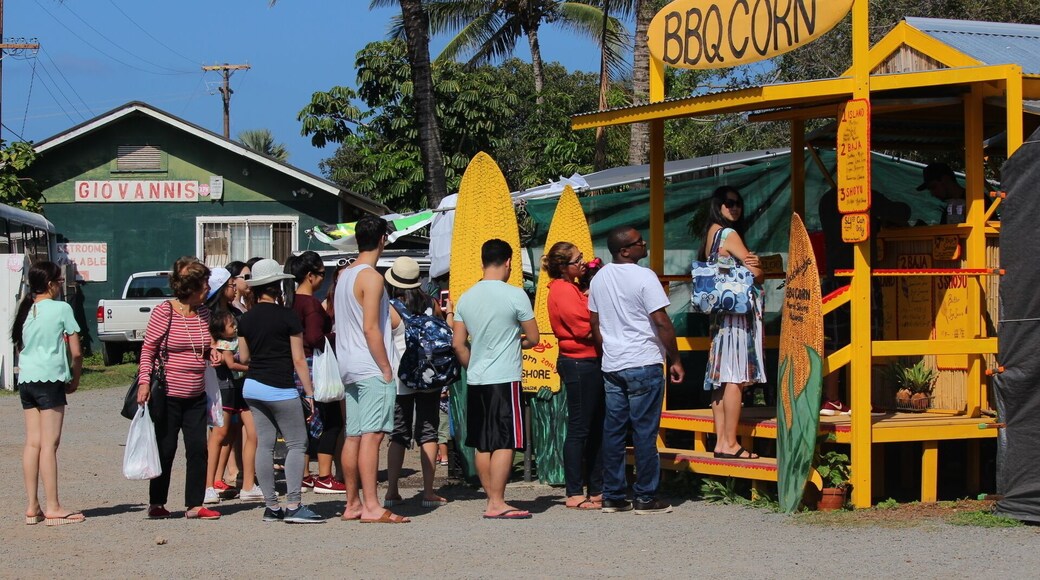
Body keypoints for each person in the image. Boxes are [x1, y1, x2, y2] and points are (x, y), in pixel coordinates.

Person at [589, 226, 684, 515]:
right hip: (643, 360)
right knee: (644, 432)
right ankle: (644, 496)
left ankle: (613, 495)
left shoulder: (599, 278)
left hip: (613, 363)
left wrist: (607, 351)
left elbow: (594, 323)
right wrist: (676, 358)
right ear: (624, 250)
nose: (645, 243)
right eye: (638, 242)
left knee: (614, 430)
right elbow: (661, 321)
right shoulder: (645, 277)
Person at [453, 239, 540, 520]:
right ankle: (498, 502)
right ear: (509, 263)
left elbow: (458, 344)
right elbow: (535, 337)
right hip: (505, 377)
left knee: (483, 441)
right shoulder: (516, 295)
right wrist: (518, 343)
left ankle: (491, 499)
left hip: (477, 378)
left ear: (482, 262)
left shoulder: (466, 296)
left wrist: (474, 363)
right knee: (505, 440)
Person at [335, 215, 409, 523]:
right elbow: (371, 328)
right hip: (370, 363)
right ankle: (372, 505)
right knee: (373, 435)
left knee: (353, 435)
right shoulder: (372, 277)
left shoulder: (345, 276)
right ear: (382, 240)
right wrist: (386, 367)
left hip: (348, 364)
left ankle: (353, 503)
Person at [238, 258, 324, 523]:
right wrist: (309, 394)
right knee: (298, 444)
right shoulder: (287, 316)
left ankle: (271, 506)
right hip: (281, 387)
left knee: (264, 446)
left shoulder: (246, 318)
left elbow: (244, 356)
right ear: (278, 286)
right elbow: (299, 359)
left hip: (253, 386)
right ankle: (294, 505)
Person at [137, 257, 220, 520]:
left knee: (198, 448)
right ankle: (157, 502)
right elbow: (148, 349)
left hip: (196, 394)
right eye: (205, 284)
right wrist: (143, 382)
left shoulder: (205, 313)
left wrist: (213, 352)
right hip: (168, 393)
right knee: (166, 448)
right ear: (192, 287)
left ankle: (195, 505)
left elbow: (207, 344)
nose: (208, 289)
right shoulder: (166, 311)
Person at [818, 187, 910, 415]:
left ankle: (833, 399)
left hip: (834, 276)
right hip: (861, 275)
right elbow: (901, 213)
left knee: (836, 339)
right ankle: (862, 399)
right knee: (866, 337)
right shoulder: (863, 194)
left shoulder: (827, 199)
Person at [13, 261, 85, 526]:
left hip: (27, 378)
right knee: (50, 444)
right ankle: (53, 505)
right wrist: (75, 379)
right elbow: (76, 352)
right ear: (52, 283)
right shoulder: (62, 308)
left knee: (33, 442)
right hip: (51, 378)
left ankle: (33, 505)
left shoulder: (26, 309)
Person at [699, 187, 765, 460]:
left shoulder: (712, 234)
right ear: (719, 205)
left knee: (719, 378)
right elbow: (757, 274)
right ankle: (730, 442)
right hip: (736, 317)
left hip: (719, 315)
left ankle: (720, 441)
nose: (735, 208)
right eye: (729, 203)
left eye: (738, 203)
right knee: (735, 377)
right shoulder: (729, 234)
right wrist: (758, 265)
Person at [542, 242, 604, 510]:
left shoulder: (573, 289)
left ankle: (596, 487)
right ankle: (575, 491)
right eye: (577, 260)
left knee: (595, 426)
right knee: (580, 427)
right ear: (563, 266)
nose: (583, 263)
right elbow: (584, 327)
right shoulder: (563, 291)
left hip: (588, 360)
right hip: (579, 362)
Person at [383, 257, 449, 509]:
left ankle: (391, 491)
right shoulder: (432, 303)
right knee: (428, 432)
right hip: (429, 377)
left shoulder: (390, 308)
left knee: (399, 433)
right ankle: (429, 491)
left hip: (400, 379)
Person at [287, 251, 345, 495]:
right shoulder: (310, 303)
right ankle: (324, 475)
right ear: (310, 276)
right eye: (322, 274)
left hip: (294, 367)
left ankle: (305, 476)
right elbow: (313, 337)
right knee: (331, 421)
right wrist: (336, 337)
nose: (323, 279)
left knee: (302, 425)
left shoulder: (290, 301)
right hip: (314, 365)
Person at [203, 309, 251, 505]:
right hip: (225, 391)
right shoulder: (223, 344)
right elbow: (231, 365)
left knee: (228, 435)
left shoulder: (226, 342)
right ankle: (209, 484)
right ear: (221, 330)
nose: (235, 327)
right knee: (220, 435)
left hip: (232, 391)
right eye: (231, 325)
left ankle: (216, 480)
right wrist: (251, 368)